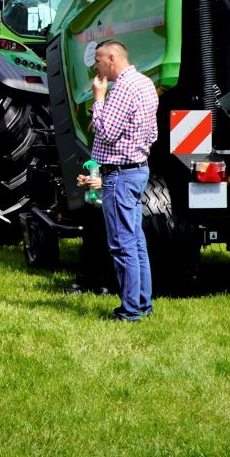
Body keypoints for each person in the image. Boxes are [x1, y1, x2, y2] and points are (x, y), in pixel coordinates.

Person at [82, 40, 157, 321]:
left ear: (112, 58)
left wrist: (98, 98)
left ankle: (129, 311)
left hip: (120, 175)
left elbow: (107, 131)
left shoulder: (123, 88)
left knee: (122, 244)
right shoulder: (145, 83)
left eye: (98, 61)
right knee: (136, 242)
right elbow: (153, 133)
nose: (96, 67)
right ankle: (142, 304)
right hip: (137, 170)